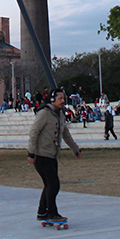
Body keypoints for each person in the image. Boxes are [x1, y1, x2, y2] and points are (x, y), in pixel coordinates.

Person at [27, 90, 81, 225]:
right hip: (41, 155)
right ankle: (52, 213)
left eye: (64, 98)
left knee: (49, 184)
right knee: (53, 184)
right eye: (60, 98)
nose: (63, 101)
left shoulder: (60, 115)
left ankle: (42, 212)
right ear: (52, 99)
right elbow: (34, 132)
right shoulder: (44, 113)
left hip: (52, 156)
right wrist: (31, 152)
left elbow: (66, 134)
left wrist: (75, 149)